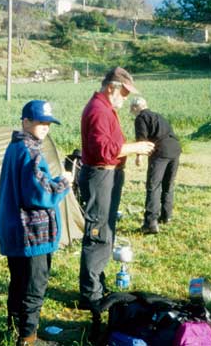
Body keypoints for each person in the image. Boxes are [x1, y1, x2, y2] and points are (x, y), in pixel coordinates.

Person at [78, 67, 155, 336]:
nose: (125, 98)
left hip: (107, 175)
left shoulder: (105, 108)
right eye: (124, 92)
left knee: (106, 231)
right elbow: (104, 150)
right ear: (112, 87)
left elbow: (110, 145)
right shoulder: (99, 110)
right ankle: (91, 295)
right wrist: (136, 147)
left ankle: (96, 285)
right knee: (99, 232)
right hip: (101, 176)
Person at [0, 100, 73, 346]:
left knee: (18, 281)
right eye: (40, 121)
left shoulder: (15, 146)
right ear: (25, 121)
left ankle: (13, 331)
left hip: (15, 230)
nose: (45, 127)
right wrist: (64, 182)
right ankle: (28, 339)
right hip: (32, 233)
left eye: (48, 123)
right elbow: (41, 194)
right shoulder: (30, 151)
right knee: (33, 286)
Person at [130, 97, 181, 234]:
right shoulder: (158, 115)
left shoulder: (141, 118)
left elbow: (142, 139)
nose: (131, 112)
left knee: (153, 186)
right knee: (168, 184)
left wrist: (139, 157)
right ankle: (166, 216)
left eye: (131, 109)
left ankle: (150, 223)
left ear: (136, 107)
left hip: (161, 152)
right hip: (175, 149)